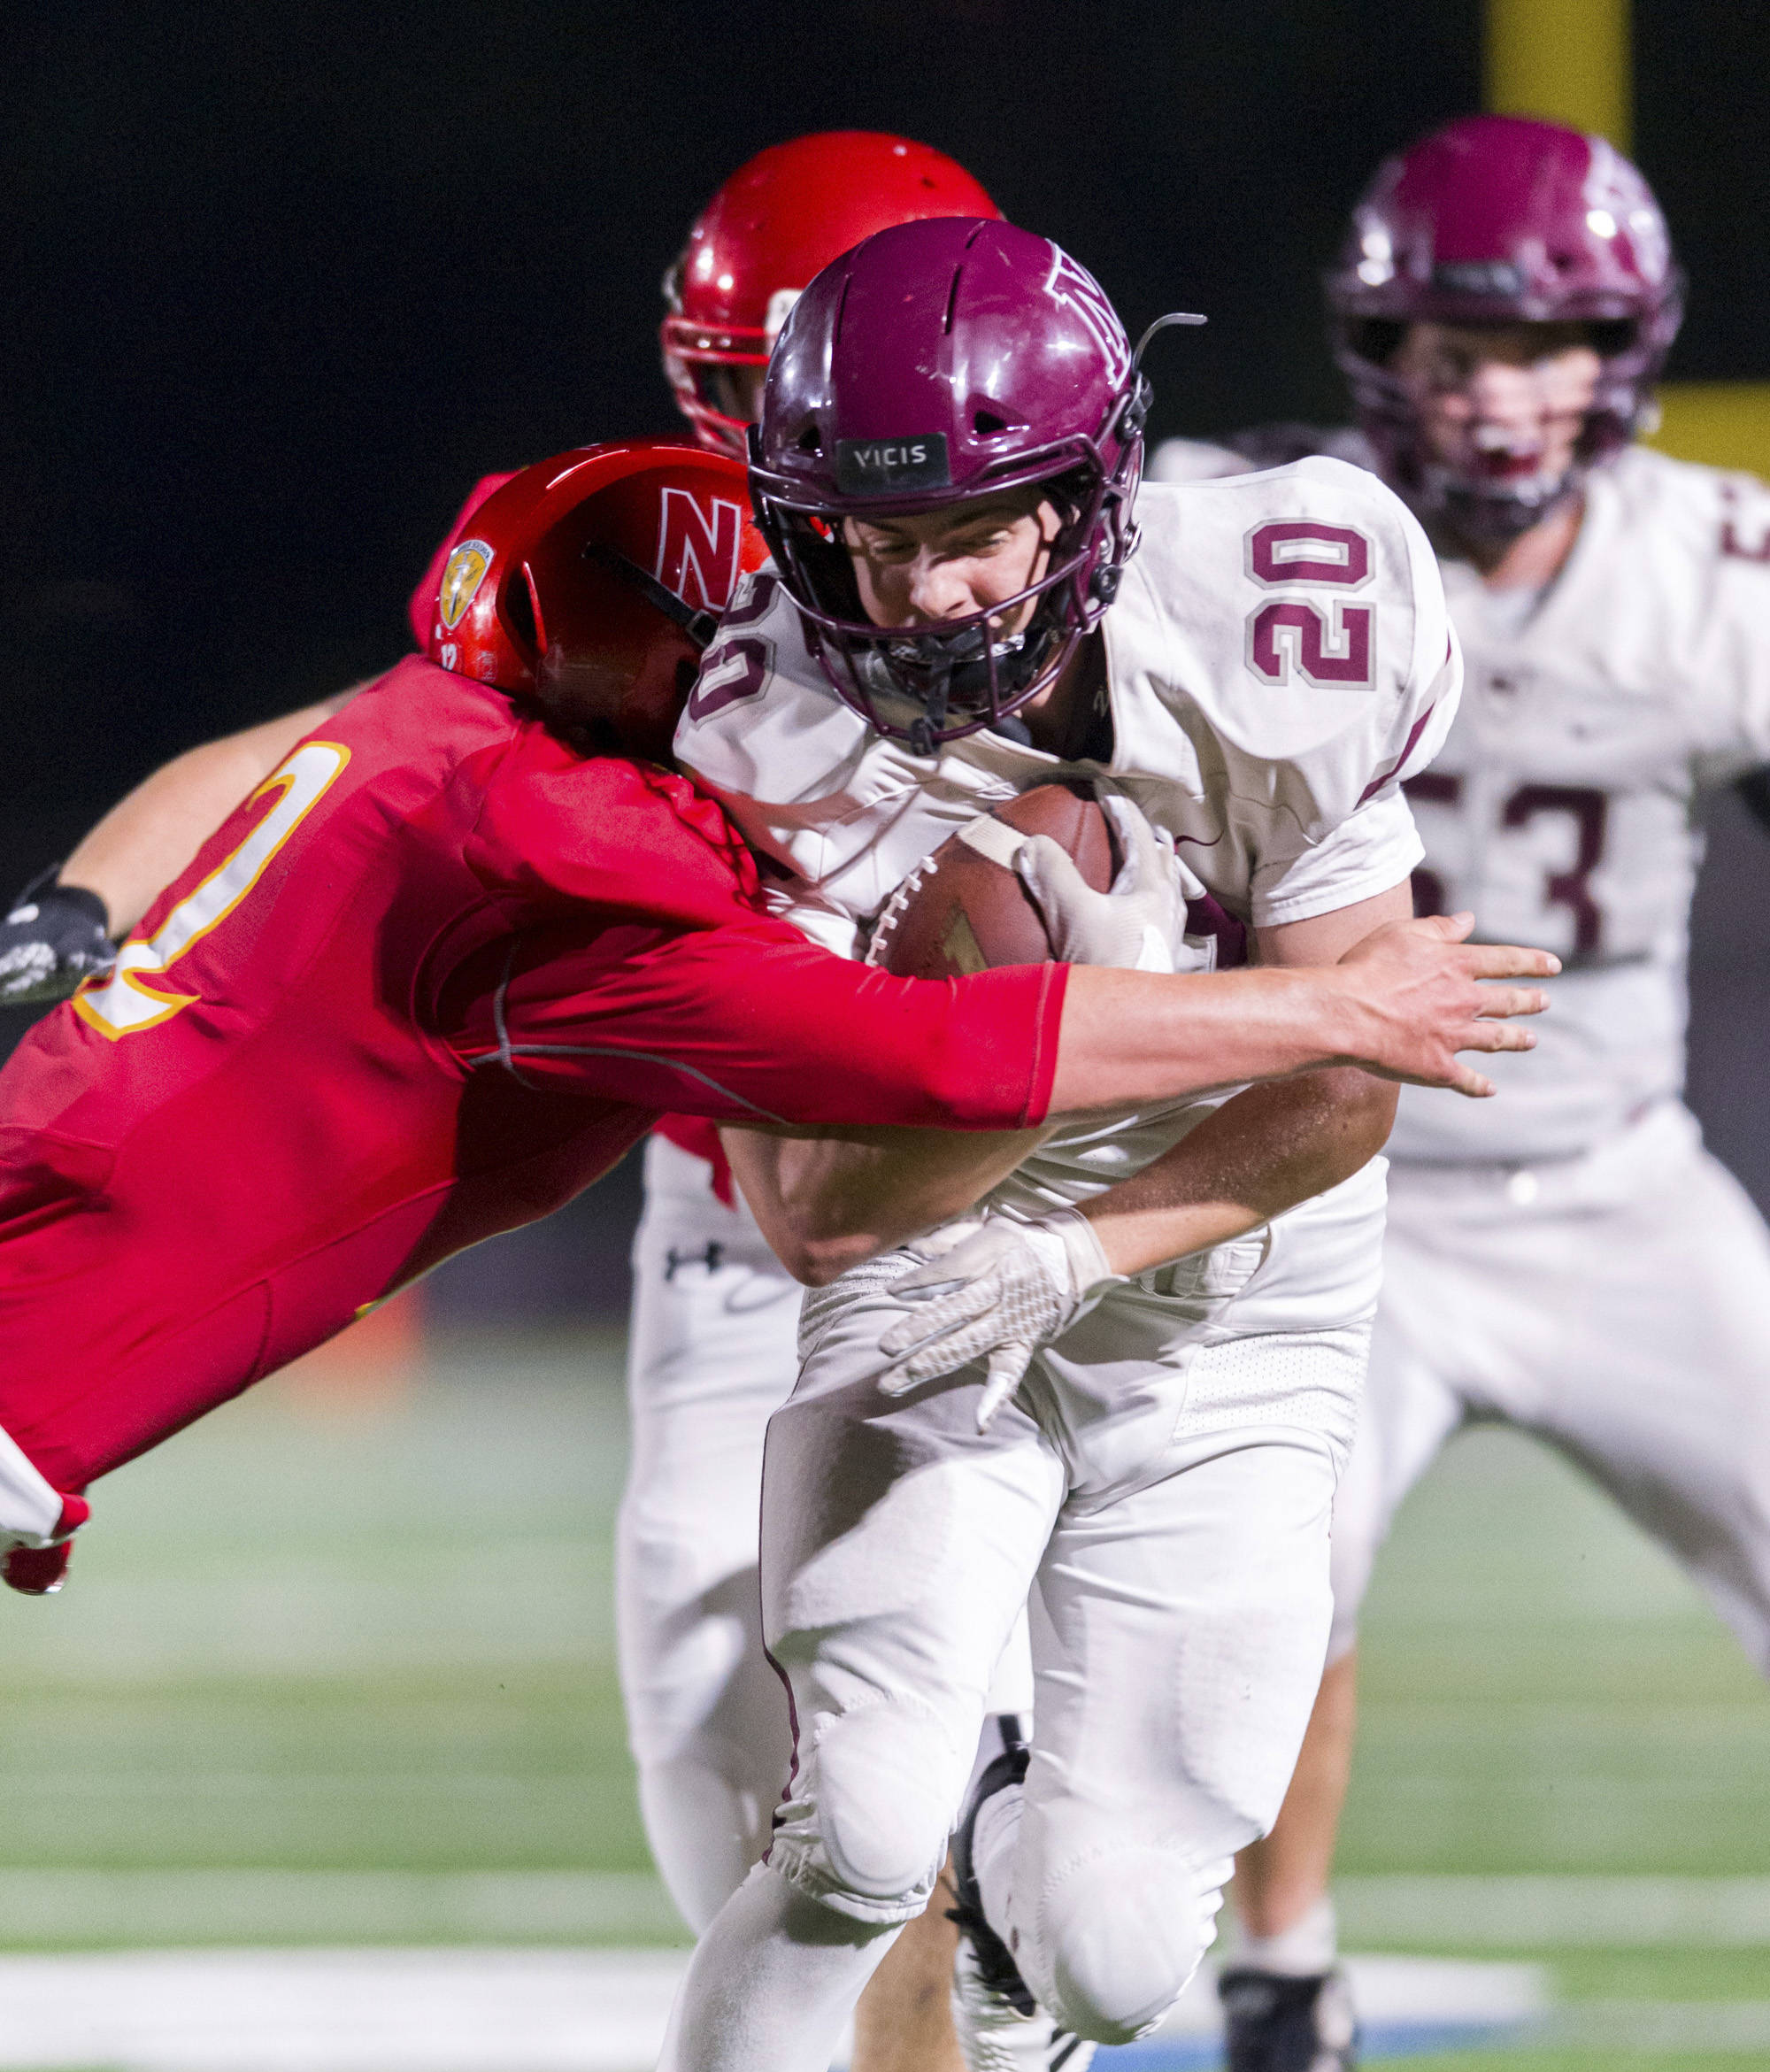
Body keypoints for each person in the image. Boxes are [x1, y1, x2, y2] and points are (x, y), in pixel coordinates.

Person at [0, 131, 1057, 2072]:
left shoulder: (1046, 547)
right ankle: (906, 2061)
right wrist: (88, 909)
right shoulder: (659, 559)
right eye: (753, 383)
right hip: (728, 1162)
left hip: (1018, 1163)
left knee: (957, 1732)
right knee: (718, 1728)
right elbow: (340, 748)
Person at [519, 218, 1557, 2072]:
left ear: (1088, 498)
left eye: (976, 526)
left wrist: (1086, 1240)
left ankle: (1017, 1915)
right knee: (848, 1824)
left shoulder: (1296, 603)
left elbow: (1346, 1087)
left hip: (1236, 1295)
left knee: (1108, 1954)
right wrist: (998, 1063)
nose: (922, 596)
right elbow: (802, 1203)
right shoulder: (755, 726)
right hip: (918, 1261)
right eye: (871, 542)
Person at [0, 436, 1533, 1610]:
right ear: (659, 649)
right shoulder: (568, 859)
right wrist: (1324, 1003)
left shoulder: (432, 729)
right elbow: (923, 1053)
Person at [1148, 115, 1770, 2072]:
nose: (1494, 386)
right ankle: (1283, 1981)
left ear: (1623, 352)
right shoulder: (1245, 534)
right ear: (1372, 340)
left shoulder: (1715, 570)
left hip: (1617, 1190)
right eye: (1447, 337)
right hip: (1338, 1185)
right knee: (1257, 1602)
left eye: (1545, 342)